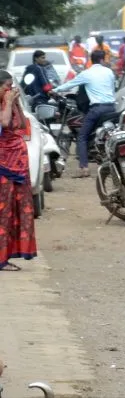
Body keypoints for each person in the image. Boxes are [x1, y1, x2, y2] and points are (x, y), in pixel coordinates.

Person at [51, 50, 117, 178]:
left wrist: (54, 90)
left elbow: (70, 85)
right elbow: (111, 88)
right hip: (112, 108)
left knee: (82, 137)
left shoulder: (86, 74)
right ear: (102, 60)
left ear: (91, 60)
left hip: (97, 109)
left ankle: (84, 168)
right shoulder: (109, 72)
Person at [0, 72, 37, 271]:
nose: (11, 89)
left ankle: (9, 254)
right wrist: (7, 102)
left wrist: (17, 104)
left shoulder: (11, 103)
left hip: (18, 164)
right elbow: (4, 123)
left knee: (18, 209)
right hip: (3, 164)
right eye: (7, 85)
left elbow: (21, 125)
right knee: (3, 212)